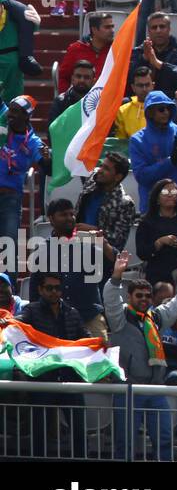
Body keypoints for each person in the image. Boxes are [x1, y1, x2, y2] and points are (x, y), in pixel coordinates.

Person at [103, 250, 177, 461]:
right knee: (125, 443)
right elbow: (110, 300)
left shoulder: (156, 317)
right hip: (128, 390)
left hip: (155, 389)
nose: (144, 299)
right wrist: (116, 277)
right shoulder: (119, 318)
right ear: (129, 297)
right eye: (139, 296)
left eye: (147, 296)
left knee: (165, 438)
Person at [20, 273, 88, 458]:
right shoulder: (31, 310)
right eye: (49, 288)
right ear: (40, 289)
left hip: (70, 380)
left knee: (79, 432)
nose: (54, 292)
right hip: (43, 380)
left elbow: (85, 338)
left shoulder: (72, 312)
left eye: (57, 288)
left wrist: (99, 345)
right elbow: (19, 323)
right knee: (39, 433)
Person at [128, 91, 177, 211]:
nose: (166, 112)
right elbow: (142, 176)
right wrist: (170, 161)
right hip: (152, 210)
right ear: (150, 112)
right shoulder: (137, 140)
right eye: (161, 109)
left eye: (169, 108)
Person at [0, 97, 44, 243]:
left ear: (26, 115)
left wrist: (47, 158)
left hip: (10, 199)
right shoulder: (3, 121)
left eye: (14, 111)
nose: (9, 114)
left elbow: (46, 166)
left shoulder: (33, 141)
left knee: (10, 247)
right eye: (9, 110)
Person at [75, 153, 137, 250]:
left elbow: (118, 241)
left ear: (118, 177)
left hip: (101, 256)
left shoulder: (125, 203)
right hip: (77, 247)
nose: (100, 170)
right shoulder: (92, 182)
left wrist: (93, 230)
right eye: (101, 166)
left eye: (106, 169)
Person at [129, 12, 177, 95]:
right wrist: (144, 59)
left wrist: (159, 64)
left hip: (170, 100)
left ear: (169, 29)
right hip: (140, 100)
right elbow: (126, 79)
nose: (158, 31)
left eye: (162, 26)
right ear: (148, 31)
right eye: (154, 27)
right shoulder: (138, 51)